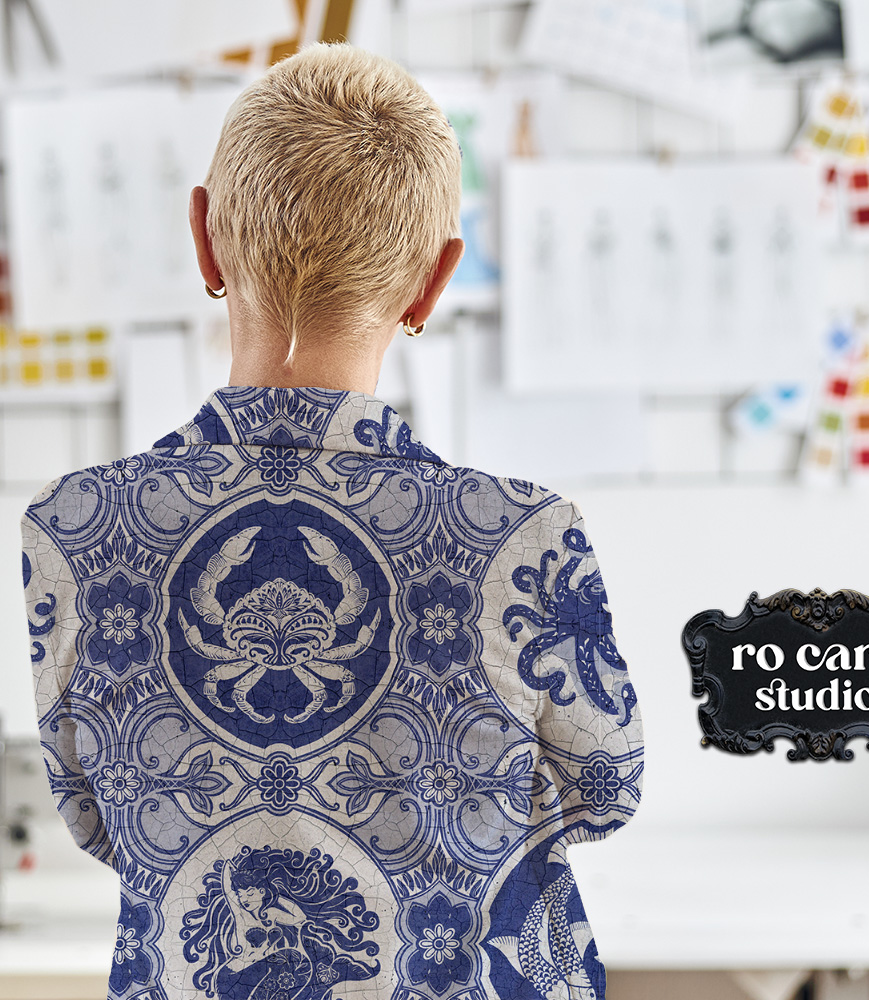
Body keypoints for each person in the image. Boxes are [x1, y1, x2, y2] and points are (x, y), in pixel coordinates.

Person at [21, 42, 644, 1000]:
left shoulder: (74, 532)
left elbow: (94, 819)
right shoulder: (526, 535)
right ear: (434, 281)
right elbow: (604, 795)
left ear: (204, 241)